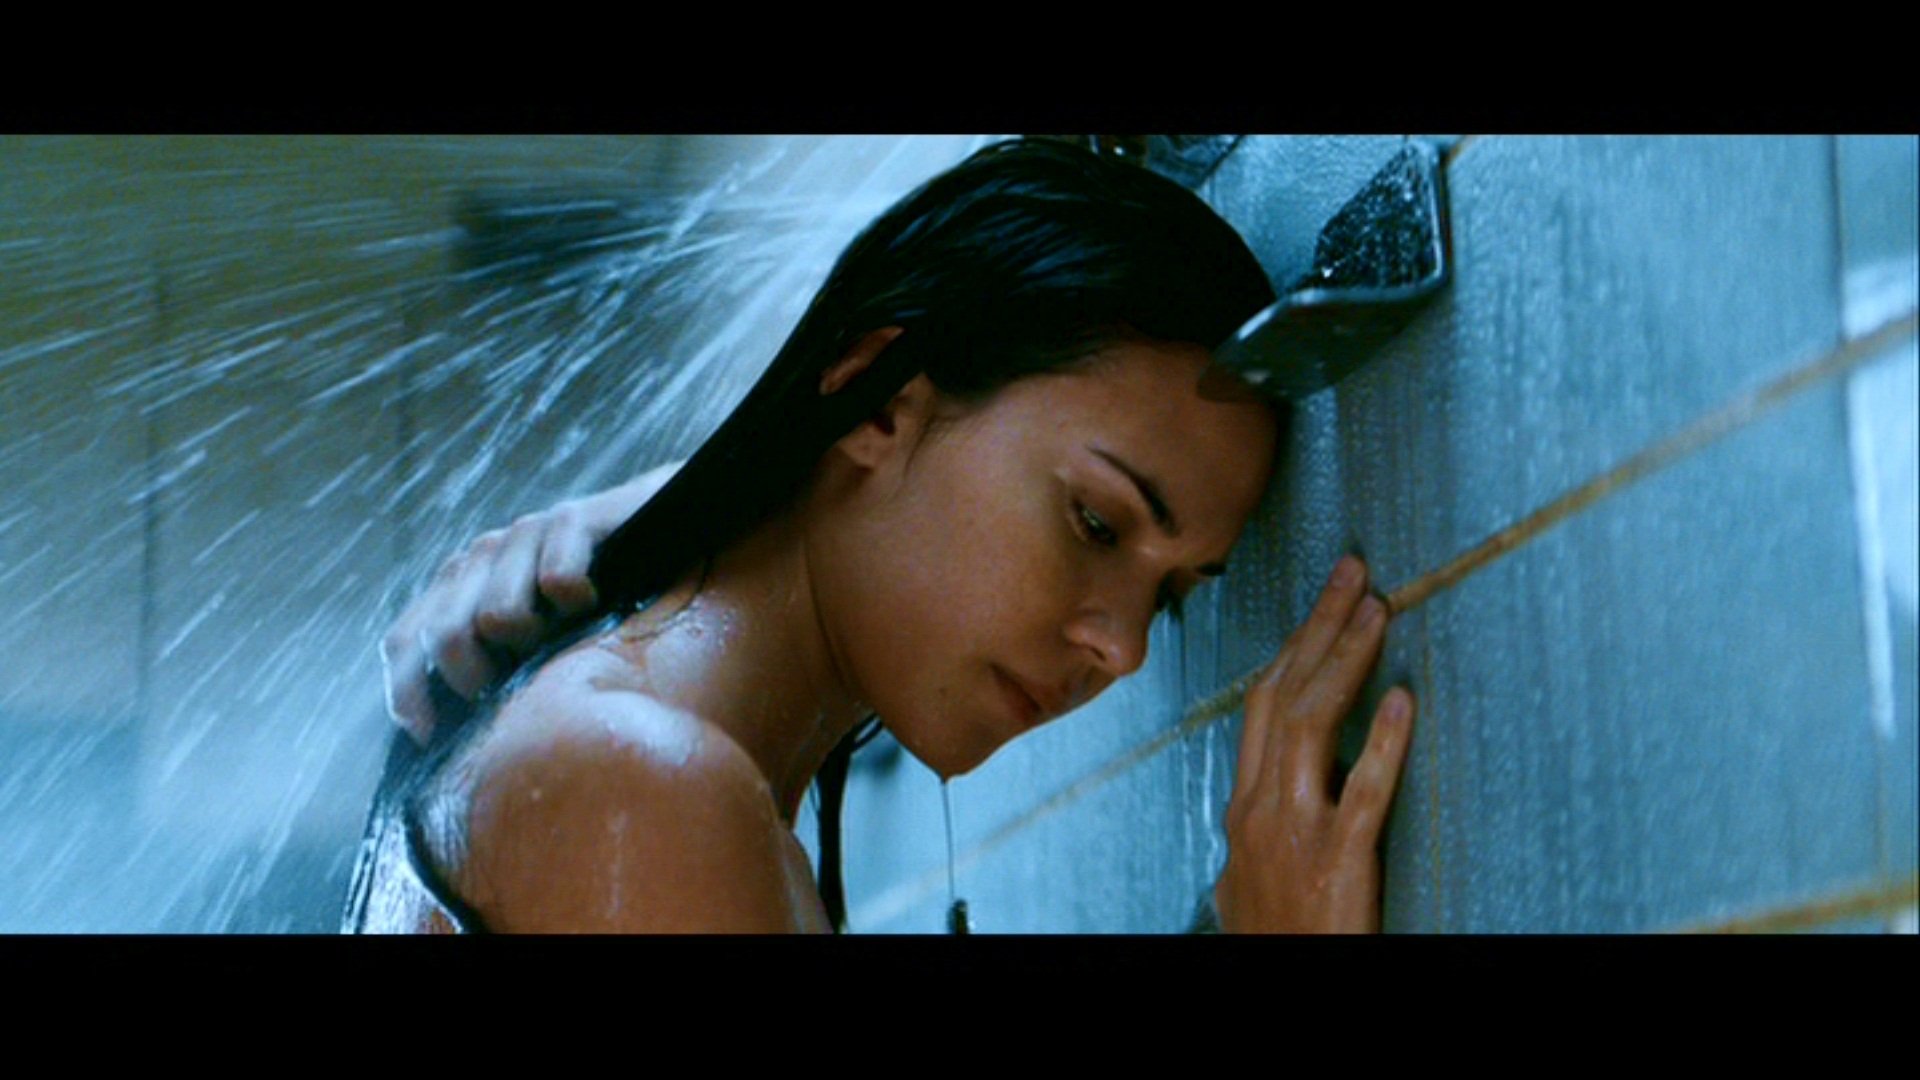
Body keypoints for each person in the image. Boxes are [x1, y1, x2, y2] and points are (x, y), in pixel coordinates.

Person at [345, 138, 1414, 934]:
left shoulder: (664, 768)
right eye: (1096, 522)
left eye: (1173, 594)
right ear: (877, 400)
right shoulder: (643, 783)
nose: (1123, 649)